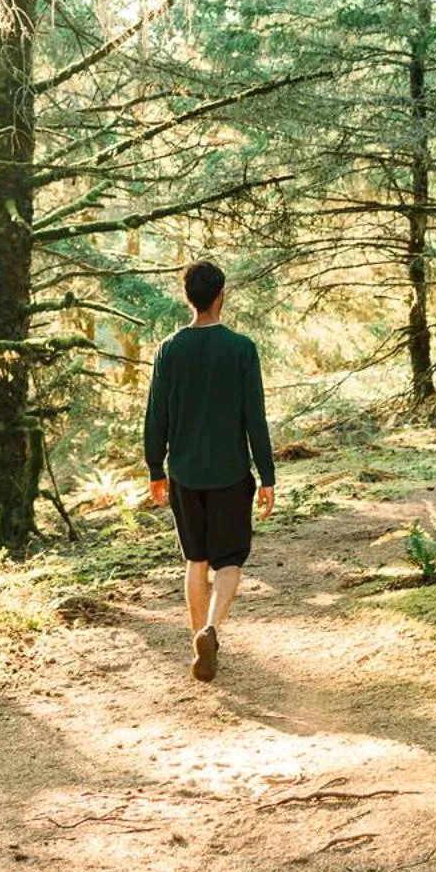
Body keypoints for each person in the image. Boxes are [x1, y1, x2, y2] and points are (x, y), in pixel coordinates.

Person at [144, 260, 277, 682]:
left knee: (195, 560)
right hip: (231, 474)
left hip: (184, 474)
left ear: (189, 298)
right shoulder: (241, 349)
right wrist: (267, 476)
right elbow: (254, 418)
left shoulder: (169, 349)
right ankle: (211, 631)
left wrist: (155, 468)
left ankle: (197, 644)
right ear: (221, 296)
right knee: (230, 561)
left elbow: (156, 415)